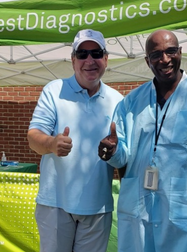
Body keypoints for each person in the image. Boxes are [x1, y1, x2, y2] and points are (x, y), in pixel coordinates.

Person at [97, 29, 187, 252]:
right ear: (147, 61)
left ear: (180, 52)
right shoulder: (131, 103)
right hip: (139, 212)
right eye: (156, 55)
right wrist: (112, 152)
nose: (165, 59)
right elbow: (123, 158)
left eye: (171, 51)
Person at [27, 29, 123, 252]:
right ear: (73, 61)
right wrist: (51, 144)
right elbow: (33, 137)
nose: (90, 60)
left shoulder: (118, 100)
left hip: (97, 207)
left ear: (106, 59)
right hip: (55, 204)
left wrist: (116, 151)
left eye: (96, 53)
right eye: (82, 54)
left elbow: (123, 154)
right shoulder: (54, 90)